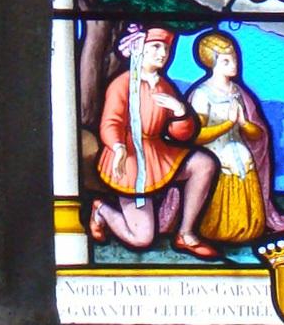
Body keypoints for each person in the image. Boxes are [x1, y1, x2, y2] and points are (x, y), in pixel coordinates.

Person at [88, 25, 219, 259]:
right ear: (139, 49)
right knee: (141, 239)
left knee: (204, 164)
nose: (163, 54)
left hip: (158, 154)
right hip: (129, 161)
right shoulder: (122, 84)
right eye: (156, 46)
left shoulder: (164, 86)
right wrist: (117, 147)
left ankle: (186, 234)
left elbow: (181, 135)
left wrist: (180, 112)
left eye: (167, 49)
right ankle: (102, 210)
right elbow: (110, 122)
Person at [186, 32, 284, 245]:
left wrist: (243, 124)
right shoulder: (203, 94)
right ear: (211, 63)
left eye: (235, 58)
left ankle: (251, 227)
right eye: (226, 60)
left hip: (242, 155)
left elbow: (258, 134)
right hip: (214, 158)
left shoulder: (238, 92)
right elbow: (195, 136)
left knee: (243, 163)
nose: (234, 64)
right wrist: (226, 125)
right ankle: (218, 230)